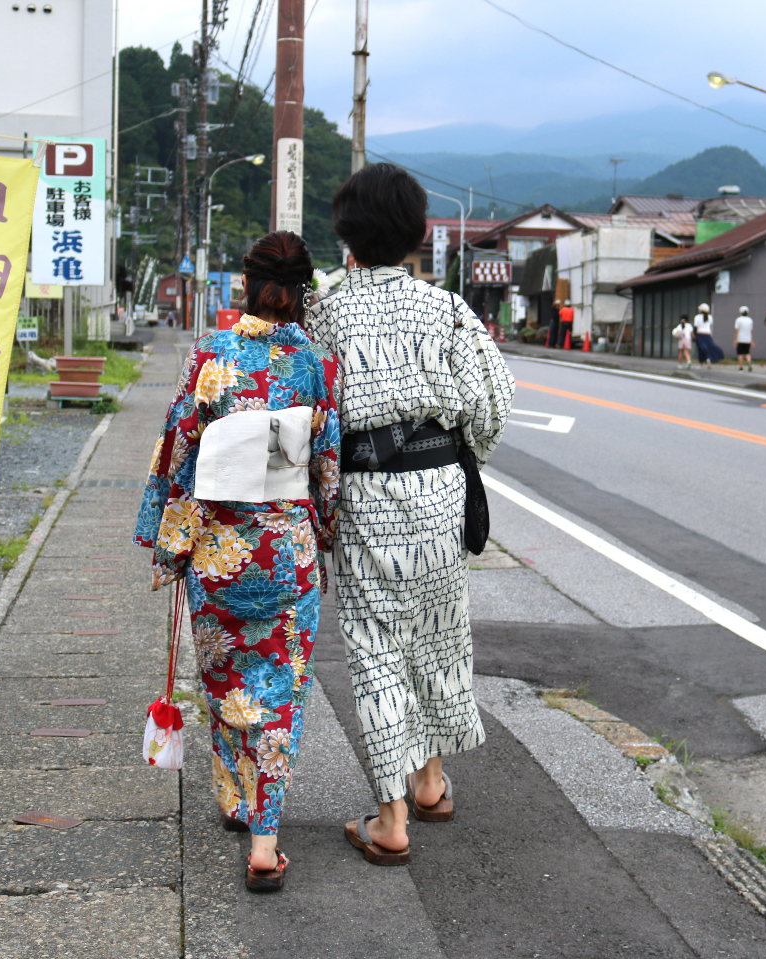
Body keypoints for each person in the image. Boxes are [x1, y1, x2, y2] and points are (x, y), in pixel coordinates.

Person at [306, 163, 515, 866]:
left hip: (365, 493)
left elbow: (310, 413)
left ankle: (391, 816)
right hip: (438, 491)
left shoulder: (324, 312)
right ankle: (430, 782)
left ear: (347, 235)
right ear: (417, 233)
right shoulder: (449, 308)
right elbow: (493, 405)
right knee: (438, 630)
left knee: (375, 647)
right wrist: (458, 453)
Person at [133, 231, 341, 893]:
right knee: (280, 698)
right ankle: (264, 840)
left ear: (246, 284)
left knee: (227, 683)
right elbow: (328, 468)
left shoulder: (212, 355)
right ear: (302, 288)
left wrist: (169, 544)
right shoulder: (317, 365)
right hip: (286, 556)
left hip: (220, 554)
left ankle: (233, 798)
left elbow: (177, 453)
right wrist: (327, 530)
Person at [693, 302, 723, 367]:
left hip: (700, 335)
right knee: (709, 348)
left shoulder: (697, 317)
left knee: (701, 349)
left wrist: (694, 336)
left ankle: (701, 363)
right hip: (708, 335)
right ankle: (709, 358)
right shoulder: (710, 317)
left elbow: (695, 328)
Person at [734, 305, 754, 372]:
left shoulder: (738, 320)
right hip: (748, 339)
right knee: (747, 353)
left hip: (740, 339)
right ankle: (749, 361)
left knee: (740, 354)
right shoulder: (750, 320)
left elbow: (736, 330)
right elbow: (751, 331)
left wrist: (735, 339)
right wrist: (752, 340)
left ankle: (741, 367)